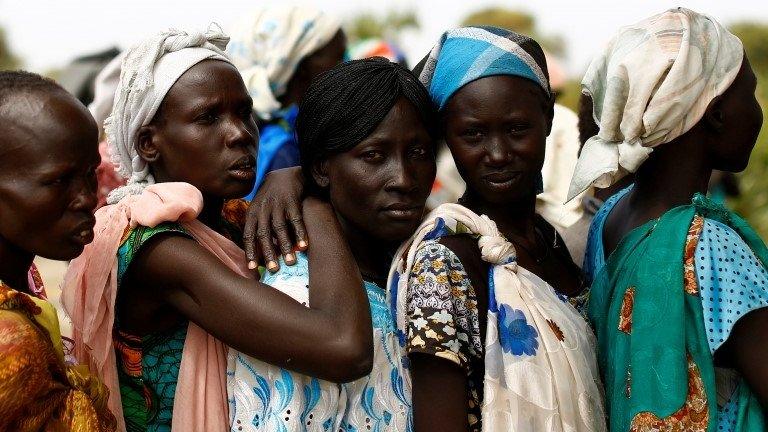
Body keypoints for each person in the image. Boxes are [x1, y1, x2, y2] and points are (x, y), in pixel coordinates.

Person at [62, 25, 372, 432]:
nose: (240, 133)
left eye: (244, 112)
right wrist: (314, 199)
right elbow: (343, 347)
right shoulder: (154, 249)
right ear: (149, 144)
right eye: (208, 118)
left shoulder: (231, 220)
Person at [389, 26, 606, 431]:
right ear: (447, 138)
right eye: (472, 134)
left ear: (548, 117)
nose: (498, 154)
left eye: (516, 129)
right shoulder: (445, 261)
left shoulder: (551, 241)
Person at [573, 8, 767, 430]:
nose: (757, 110)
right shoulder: (710, 245)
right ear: (716, 114)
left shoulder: (609, 218)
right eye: (750, 93)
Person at [228, 57, 438, 432]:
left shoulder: (416, 264)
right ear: (323, 168)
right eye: (374, 156)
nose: (404, 179)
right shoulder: (297, 291)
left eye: (419, 153)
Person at [0, 71, 116, 431]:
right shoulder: (11, 341)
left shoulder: (23, 278)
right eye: (58, 181)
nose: (86, 198)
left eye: (89, 174)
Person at [227, 5, 346, 199]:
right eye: (339, 59)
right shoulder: (286, 150)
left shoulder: (260, 132)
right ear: (302, 66)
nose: (345, 70)